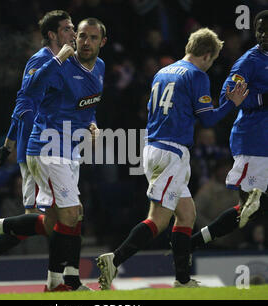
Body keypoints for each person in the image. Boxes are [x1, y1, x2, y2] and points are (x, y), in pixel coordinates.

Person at [0, 15, 106, 293]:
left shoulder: (87, 65)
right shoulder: (44, 60)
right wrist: (10, 146)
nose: (75, 34)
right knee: (64, 217)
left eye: (77, 29)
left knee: (59, 220)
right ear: (52, 35)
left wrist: (91, 124)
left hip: (66, 148)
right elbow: (25, 100)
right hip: (40, 148)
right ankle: (57, 280)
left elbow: (84, 105)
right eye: (69, 29)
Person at [96, 27, 248, 289]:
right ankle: (115, 259)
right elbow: (208, 118)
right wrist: (231, 103)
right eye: (213, 60)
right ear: (208, 55)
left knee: (187, 214)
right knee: (159, 219)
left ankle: (182, 280)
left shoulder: (163, 71)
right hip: (171, 152)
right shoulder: (196, 75)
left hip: (155, 146)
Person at [190, 10, 268, 252]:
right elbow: (228, 95)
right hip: (254, 142)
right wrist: (263, 98)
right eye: (260, 30)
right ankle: (190, 245)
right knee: (248, 211)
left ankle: (189, 245)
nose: (264, 34)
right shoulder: (249, 62)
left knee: (253, 210)